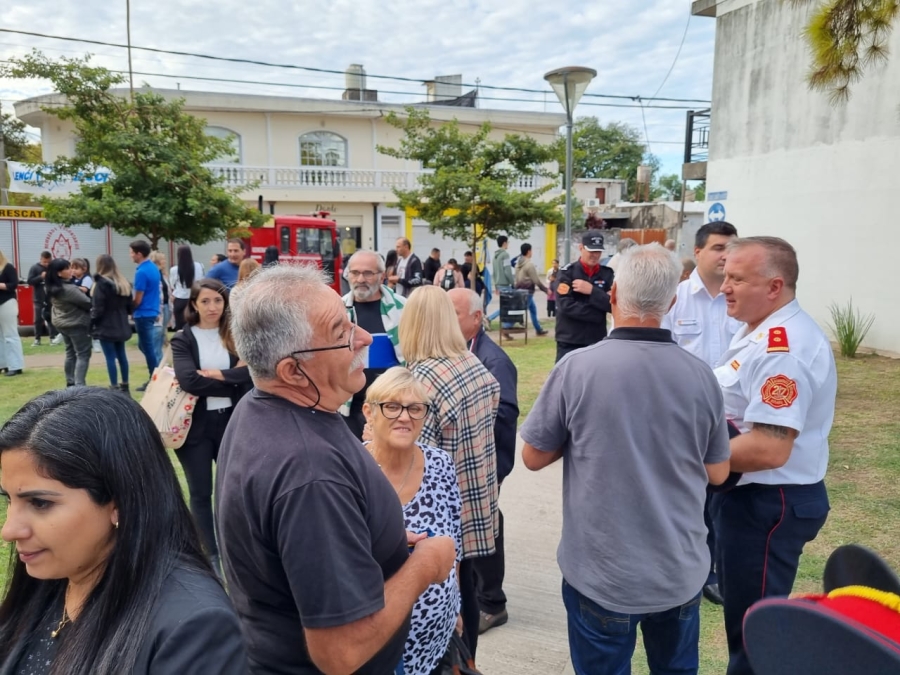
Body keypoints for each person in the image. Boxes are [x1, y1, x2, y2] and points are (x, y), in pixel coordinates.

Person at [216, 264, 456, 675]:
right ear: (293, 371)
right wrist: (424, 567)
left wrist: (367, 536)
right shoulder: (310, 473)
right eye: (340, 333)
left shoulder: (266, 408)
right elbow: (340, 653)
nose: (364, 338)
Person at [520, 243, 731, 675]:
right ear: (671, 302)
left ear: (613, 295)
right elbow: (718, 471)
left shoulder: (576, 369)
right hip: (677, 570)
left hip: (601, 573)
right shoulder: (702, 377)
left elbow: (533, 455)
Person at [0, 387, 248, 674]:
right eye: (9, 499)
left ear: (119, 502)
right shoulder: (54, 576)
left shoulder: (193, 627)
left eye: (40, 503)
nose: (9, 530)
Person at [710, 236, 836, 675]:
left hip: (768, 504)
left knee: (754, 636)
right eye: (725, 275)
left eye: (737, 278)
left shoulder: (785, 351)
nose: (724, 286)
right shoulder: (756, 330)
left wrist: (688, 457)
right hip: (746, 496)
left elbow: (769, 447)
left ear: (774, 286)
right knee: (743, 624)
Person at [399, 285, 500, 658]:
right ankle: (467, 660)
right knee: (469, 589)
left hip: (440, 513)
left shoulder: (420, 382)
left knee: (449, 600)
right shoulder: (472, 362)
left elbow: (414, 459)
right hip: (477, 498)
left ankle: (458, 660)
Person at [362, 367, 463, 675]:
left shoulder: (440, 465)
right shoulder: (353, 473)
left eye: (415, 408)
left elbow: (454, 538)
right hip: (380, 647)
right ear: (369, 412)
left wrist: (454, 605)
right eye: (392, 406)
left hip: (438, 638)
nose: (404, 417)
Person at [661, 221, 740, 607]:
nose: (727, 255)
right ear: (698, 252)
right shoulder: (677, 298)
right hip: (685, 415)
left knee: (722, 494)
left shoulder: (738, 299)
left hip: (731, 415)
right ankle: (700, 568)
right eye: (719, 248)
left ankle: (718, 567)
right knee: (692, 495)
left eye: (732, 248)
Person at [447, 288, 519, 636]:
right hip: (467, 460)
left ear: (477, 318)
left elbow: (503, 415)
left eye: (455, 314)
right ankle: (479, 592)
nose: (447, 320)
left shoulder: (494, 360)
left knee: (486, 521)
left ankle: (492, 602)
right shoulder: (459, 351)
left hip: (487, 462)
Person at [171, 279, 251, 576]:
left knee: (234, 490)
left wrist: (217, 374)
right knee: (201, 493)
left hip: (232, 422)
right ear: (193, 304)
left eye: (217, 301)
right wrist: (233, 378)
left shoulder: (235, 335)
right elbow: (188, 380)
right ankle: (211, 556)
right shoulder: (184, 339)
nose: (212, 307)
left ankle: (238, 551)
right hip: (197, 428)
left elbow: (253, 375)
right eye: (205, 301)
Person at [340, 250, 406, 440]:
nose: (360, 279)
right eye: (355, 272)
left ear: (382, 276)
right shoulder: (337, 311)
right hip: (349, 409)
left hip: (393, 408)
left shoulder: (403, 309)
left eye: (368, 273)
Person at [554, 232, 615, 362]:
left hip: (596, 338)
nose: (595, 255)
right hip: (570, 338)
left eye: (598, 251)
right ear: (581, 248)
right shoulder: (567, 273)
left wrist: (592, 291)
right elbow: (565, 305)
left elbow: (613, 305)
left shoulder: (607, 274)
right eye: (591, 251)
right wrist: (597, 313)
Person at [46, 259, 93, 387]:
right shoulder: (69, 289)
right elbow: (88, 303)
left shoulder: (52, 287)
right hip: (76, 324)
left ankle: (70, 382)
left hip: (61, 323)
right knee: (83, 354)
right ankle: (80, 384)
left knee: (70, 353)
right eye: (67, 268)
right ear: (59, 273)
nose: (71, 270)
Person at [91, 254, 134, 394]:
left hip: (106, 324)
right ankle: (125, 384)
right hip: (121, 322)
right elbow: (130, 307)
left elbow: (98, 308)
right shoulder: (123, 283)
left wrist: (91, 323)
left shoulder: (101, 284)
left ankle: (114, 386)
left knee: (110, 357)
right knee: (122, 355)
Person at [130, 240, 161, 392]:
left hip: (143, 312)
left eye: (132, 252)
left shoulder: (141, 271)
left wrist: (130, 308)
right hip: (152, 310)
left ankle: (154, 377)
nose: (130, 255)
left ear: (139, 254)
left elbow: (138, 297)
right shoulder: (153, 268)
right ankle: (156, 373)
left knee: (147, 347)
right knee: (145, 346)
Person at [513, 243, 549, 336]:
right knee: (520, 310)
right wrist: (546, 290)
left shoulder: (518, 264)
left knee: (533, 309)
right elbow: (536, 280)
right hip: (527, 291)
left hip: (519, 290)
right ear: (529, 251)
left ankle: (538, 329)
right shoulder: (529, 264)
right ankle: (506, 326)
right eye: (531, 250)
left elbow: (516, 278)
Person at [0, 250, 25, 377]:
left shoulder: (7, 267)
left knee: (10, 334)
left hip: (6, 302)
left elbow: (14, 284)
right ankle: (3, 364)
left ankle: (16, 365)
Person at [169, 245, 204, 331]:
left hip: (180, 299)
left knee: (180, 328)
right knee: (195, 325)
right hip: (194, 298)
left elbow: (172, 284)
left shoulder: (174, 269)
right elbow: (202, 281)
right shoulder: (199, 266)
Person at [27, 250, 57, 346]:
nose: (47, 264)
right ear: (40, 259)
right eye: (45, 262)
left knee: (51, 318)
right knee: (38, 319)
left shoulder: (53, 268)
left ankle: (53, 338)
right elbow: (30, 281)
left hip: (50, 298)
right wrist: (41, 277)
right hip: (38, 298)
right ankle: (37, 339)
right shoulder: (34, 268)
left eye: (49, 262)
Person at [487, 235, 515, 337]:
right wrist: (512, 282)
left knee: (505, 306)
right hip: (505, 284)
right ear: (504, 243)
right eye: (507, 242)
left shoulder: (495, 256)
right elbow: (507, 270)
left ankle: (504, 325)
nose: (508, 244)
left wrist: (496, 286)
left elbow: (494, 273)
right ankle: (492, 319)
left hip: (499, 284)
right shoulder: (505, 255)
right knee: (508, 306)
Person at [149, 251, 171, 358]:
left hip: (166, 307)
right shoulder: (154, 274)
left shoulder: (163, 274)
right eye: (163, 259)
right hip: (158, 308)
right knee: (156, 334)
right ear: (157, 261)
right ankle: (156, 359)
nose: (165, 261)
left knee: (161, 335)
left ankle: (160, 359)